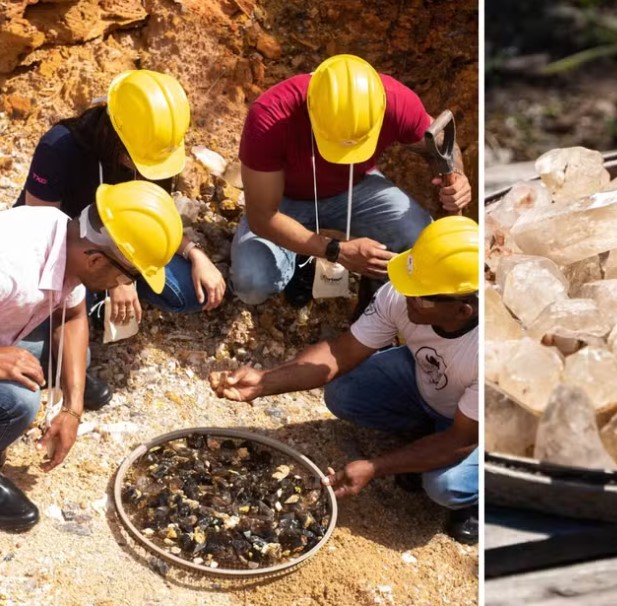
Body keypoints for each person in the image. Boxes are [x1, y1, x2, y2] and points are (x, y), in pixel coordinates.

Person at [211, 216, 479, 544]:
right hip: (433, 379)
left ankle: (480, 497)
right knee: (344, 392)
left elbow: (461, 440)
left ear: (463, 311)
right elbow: (340, 352)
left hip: (479, 428)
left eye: (420, 296)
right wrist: (266, 381)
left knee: (444, 486)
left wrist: (376, 466)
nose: (407, 297)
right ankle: (426, 435)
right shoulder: (406, 293)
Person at [15, 69, 226, 410]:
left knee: (189, 292)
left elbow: (153, 218)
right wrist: (116, 274)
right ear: (114, 134)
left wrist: (194, 253)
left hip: (116, 255)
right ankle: (83, 316)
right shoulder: (61, 146)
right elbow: (40, 229)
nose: (145, 167)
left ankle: (96, 303)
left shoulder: (156, 148)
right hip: (66, 250)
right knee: (45, 353)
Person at [1, 181, 183, 531]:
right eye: (128, 275)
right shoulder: (10, 265)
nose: (124, 285)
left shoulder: (68, 237)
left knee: (75, 363)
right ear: (97, 259)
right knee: (20, 399)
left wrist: (73, 408)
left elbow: (72, 317)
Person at [230, 54, 472, 313]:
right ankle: (302, 257)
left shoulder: (394, 100)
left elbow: (442, 143)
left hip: (356, 188)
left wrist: (457, 175)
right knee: (252, 283)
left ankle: (379, 296)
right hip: (284, 202)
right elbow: (263, 217)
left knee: (420, 238)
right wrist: (336, 250)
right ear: (311, 110)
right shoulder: (271, 117)